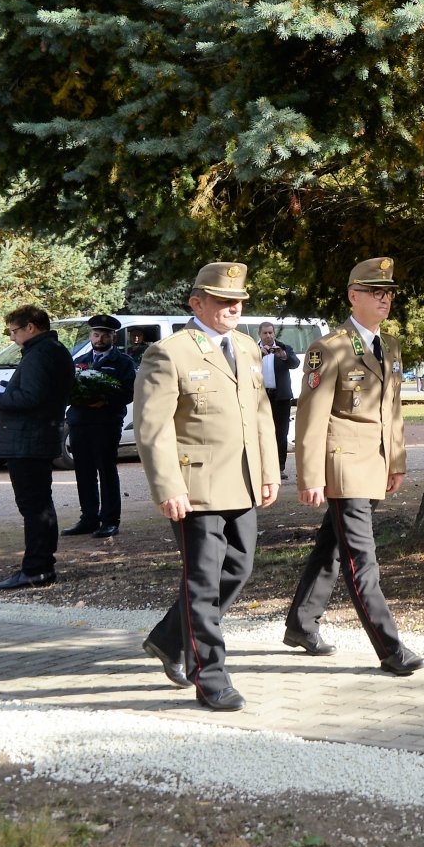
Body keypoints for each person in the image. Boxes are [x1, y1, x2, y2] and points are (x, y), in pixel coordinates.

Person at [134, 261, 281, 711]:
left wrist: (269, 471)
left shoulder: (246, 347)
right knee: (202, 582)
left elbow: (260, 415)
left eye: (239, 301)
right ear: (196, 303)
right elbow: (153, 427)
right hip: (195, 487)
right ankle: (210, 677)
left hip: (242, 481)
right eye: (223, 301)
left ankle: (168, 638)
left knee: (238, 569)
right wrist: (168, 487)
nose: (234, 308)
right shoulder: (170, 353)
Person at [282, 257, 424, 676]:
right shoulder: (329, 348)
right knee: (362, 560)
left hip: (374, 466)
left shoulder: (389, 346)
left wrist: (396, 462)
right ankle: (390, 648)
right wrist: (310, 476)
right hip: (344, 468)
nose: (385, 300)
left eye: (388, 293)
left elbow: (391, 411)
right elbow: (311, 418)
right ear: (352, 296)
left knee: (332, 545)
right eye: (375, 292)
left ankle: (301, 623)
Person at [0, 305, 76, 590]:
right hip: (35, 438)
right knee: (39, 505)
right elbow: (38, 390)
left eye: (13, 331)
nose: (12, 338)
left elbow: (29, 398)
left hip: (28, 441)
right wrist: (2, 384)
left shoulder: (40, 353)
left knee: (34, 507)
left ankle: (37, 569)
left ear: (31, 327)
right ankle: (40, 567)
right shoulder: (51, 350)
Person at [62, 313, 137, 539]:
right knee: (83, 471)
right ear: (90, 336)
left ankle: (110, 520)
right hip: (79, 422)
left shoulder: (123, 362)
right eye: (96, 334)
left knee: (106, 470)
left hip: (106, 423)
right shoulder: (79, 361)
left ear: (114, 337)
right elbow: (66, 387)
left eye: (105, 335)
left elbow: (129, 392)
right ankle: (89, 518)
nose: (100, 339)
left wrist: (105, 400)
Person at [257, 322, 300, 474]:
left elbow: (295, 363)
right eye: (265, 333)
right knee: (261, 432)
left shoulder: (284, 348)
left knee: (281, 433)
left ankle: (279, 468)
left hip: (281, 397)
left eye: (270, 333)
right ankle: (262, 468)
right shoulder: (253, 350)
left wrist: (283, 356)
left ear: (274, 334)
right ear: (259, 334)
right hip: (261, 397)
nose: (268, 336)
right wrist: (259, 355)